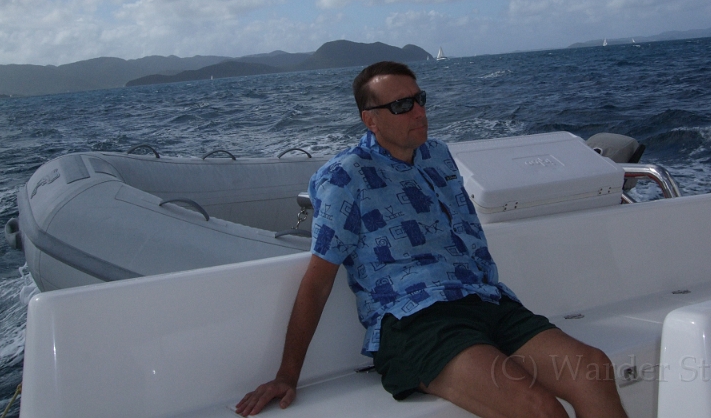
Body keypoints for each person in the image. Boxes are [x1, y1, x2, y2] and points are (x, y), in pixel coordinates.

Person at [236, 61, 628, 418]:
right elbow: (317, 280)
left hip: (483, 300)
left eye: (419, 99)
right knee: (538, 409)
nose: (419, 112)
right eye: (401, 105)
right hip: (413, 323)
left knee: (593, 370)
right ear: (370, 120)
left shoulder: (437, 155)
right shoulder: (345, 177)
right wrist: (287, 375)